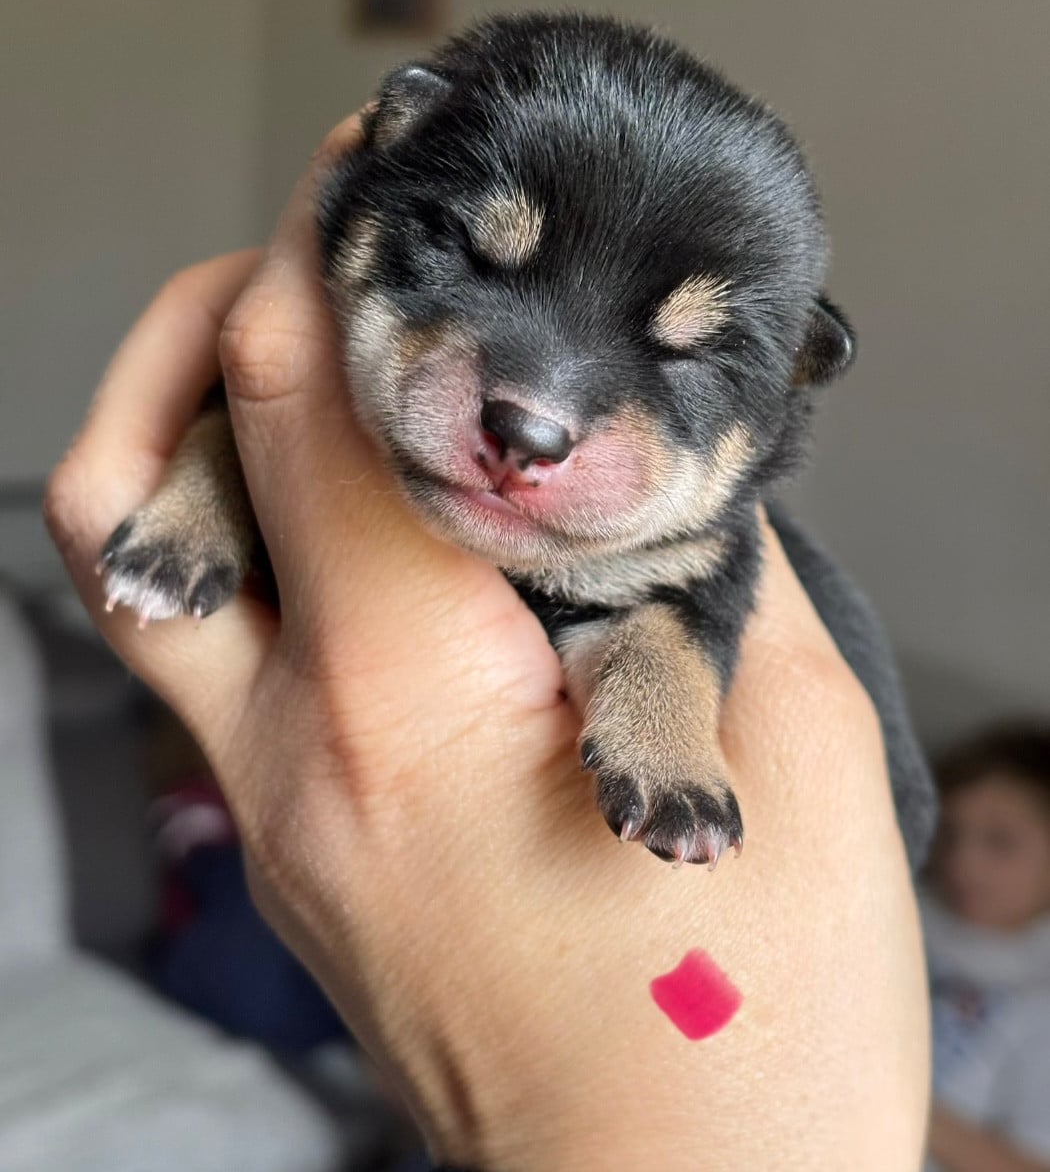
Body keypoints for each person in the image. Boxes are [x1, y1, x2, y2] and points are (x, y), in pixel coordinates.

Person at [45, 113, 931, 1170]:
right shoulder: (326, 358)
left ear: (784, 390)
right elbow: (239, 425)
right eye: (474, 257)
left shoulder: (695, 550)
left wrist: (661, 729)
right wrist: (208, 490)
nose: (538, 416)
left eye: (684, 357)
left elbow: (662, 623)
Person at [923, 725, 1050, 1172]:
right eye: (951, 834)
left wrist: (887, 1088)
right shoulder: (906, 912)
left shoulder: (1039, 997)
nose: (963, 862)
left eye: (1000, 842)